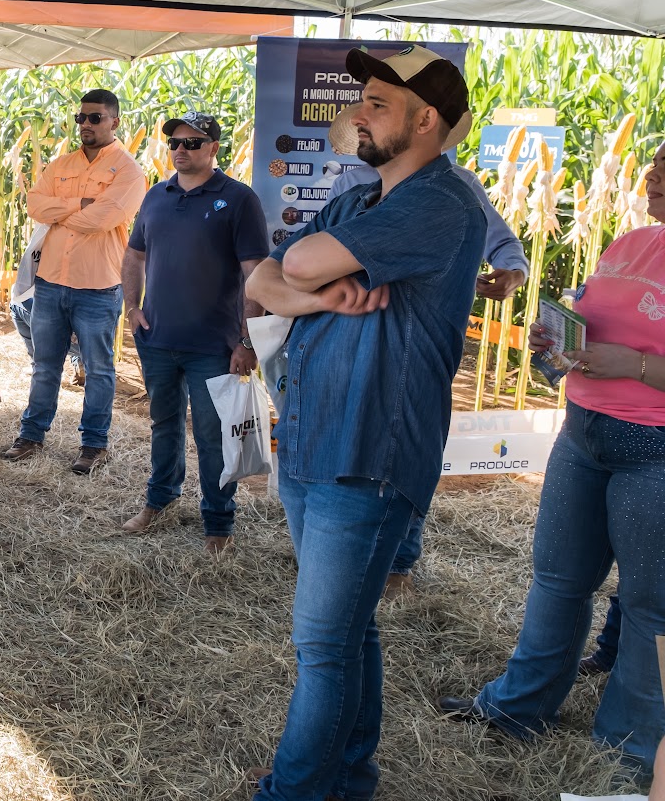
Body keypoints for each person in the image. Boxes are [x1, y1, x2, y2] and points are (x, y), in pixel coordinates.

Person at [244, 44, 487, 801]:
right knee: (350, 632)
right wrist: (317, 296)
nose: (358, 113)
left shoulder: (440, 202)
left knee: (321, 644)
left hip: (370, 452)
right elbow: (265, 276)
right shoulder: (362, 198)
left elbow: (305, 258)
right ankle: (349, 778)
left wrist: (307, 277)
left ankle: (296, 790)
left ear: (426, 121)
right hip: (316, 439)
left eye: (378, 103)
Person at [439, 137, 665, 778]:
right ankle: (518, 707)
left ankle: (629, 752)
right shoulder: (633, 242)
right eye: (654, 163)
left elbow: (637, 352)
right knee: (558, 579)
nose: (653, 173)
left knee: (652, 607)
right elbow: (590, 326)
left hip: (656, 449)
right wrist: (554, 342)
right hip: (584, 432)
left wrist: (640, 367)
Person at [327, 155, 530, 597]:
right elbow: (317, 254)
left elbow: (503, 243)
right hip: (354, 336)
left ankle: (400, 561)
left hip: (421, 341)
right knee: (353, 441)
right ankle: (346, 551)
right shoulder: (350, 185)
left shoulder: (456, 186)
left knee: (412, 443)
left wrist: (512, 271)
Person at [120, 109, 270, 555]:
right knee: (164, 424)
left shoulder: (239, 199)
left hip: (215, 346)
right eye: (175, 144)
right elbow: (133, 257)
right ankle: (159, 500)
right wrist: (132, 308)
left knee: (211, 435)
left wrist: (247, 341)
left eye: (192, 143)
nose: (180, 151)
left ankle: (218, 522)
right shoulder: (156, 196)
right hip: (158, 340)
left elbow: (255, 275)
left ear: (214, 149)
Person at [2, 89, 145, 475]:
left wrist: (61, 212)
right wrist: (79, 205)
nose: (85, 125)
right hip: (50, 282)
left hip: (98, 288)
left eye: (95, 118)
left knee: (98, 369)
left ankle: (94, 445)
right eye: (81, 118)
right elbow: (34, 205)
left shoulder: (129, 171)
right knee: (45, 365)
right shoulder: (61, 163)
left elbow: (104, 218)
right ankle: (31, 435)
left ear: (114, 121)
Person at [10, 223, 83, 382]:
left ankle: (38, 363)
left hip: (71, 333)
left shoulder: (51, 238)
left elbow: (24, 293)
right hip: (91, 330)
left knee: (16, 305)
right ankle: (81, 362)